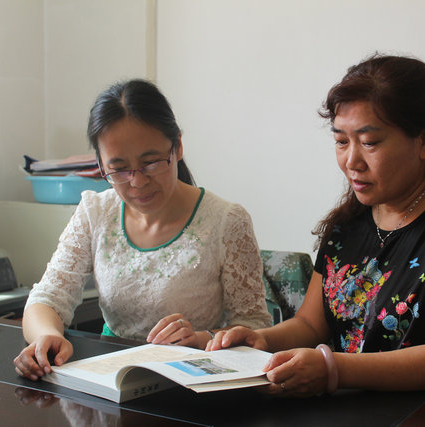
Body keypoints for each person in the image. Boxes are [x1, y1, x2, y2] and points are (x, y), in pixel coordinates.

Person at [207, 54, 425, 397]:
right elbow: (310, 323)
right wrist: (262, 340)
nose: (351, 161)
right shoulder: (349, 222)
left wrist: (333, 369)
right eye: (341, 141)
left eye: (369, 143)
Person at [14, 79, 271, 381]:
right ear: (100, 165)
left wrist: (202, 339)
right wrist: (46, 336)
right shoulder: (95, 212)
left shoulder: (226, 220)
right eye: (119, 169)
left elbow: (254, 327)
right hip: (111, 377)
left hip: (191, 381)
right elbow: (48, 298)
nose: (137, 182)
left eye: (151, 163)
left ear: (177, 147)